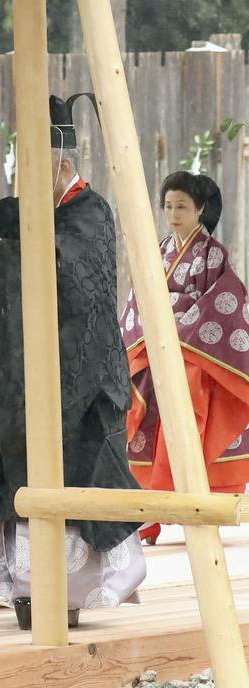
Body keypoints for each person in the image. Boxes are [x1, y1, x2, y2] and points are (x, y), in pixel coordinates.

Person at [0, 94, 146, 630]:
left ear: (61, 164)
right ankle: (26, 587)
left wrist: (2, 251)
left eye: (35, 165)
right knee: (23, 473)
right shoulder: (33, 210)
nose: (25, 179)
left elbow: (72, 278)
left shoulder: (90, 212)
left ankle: (66, 594)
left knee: (75, 483)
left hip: (81, 382)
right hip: (27, 378)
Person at [120, 171, 249, 545]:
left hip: (194, 353)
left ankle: (200, 503)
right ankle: (148, 510)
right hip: (153, 347)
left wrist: (172, 326)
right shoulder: (157, 250)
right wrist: (156, 327)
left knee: (191, 396)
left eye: (182, 207)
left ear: (200, 210)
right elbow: (138, 300)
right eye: (168, 206)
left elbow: (224, 305)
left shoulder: (214, 255)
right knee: (131, 396)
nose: (173, 214)